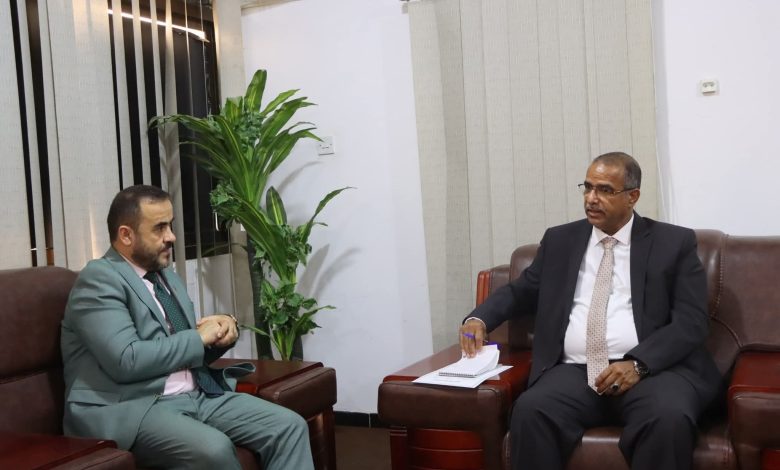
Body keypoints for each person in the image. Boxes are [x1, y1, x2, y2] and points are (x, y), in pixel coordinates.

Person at [459, 152, 721, 470]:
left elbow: (691, 322)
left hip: (653, 372)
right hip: (575, 372)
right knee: (531, 410)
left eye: (605, 190)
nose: (592, 199)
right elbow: (522, 290)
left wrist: (638, 364)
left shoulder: (673, 243)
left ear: (633, 196)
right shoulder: (560, 240)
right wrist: (479, 318)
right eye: (588, 187)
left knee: (668, 416)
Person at [61, 185, 314, 470]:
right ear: (126, 235)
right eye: (159, 228)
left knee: (288, 426)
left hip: (196, 393)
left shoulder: (165, 276)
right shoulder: (99, 279)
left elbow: (182, 349)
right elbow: (126, 360)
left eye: (170, 225)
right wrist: (198, 338)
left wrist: (220, 333)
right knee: (214, 450)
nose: (171, 236)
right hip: (135, 406)